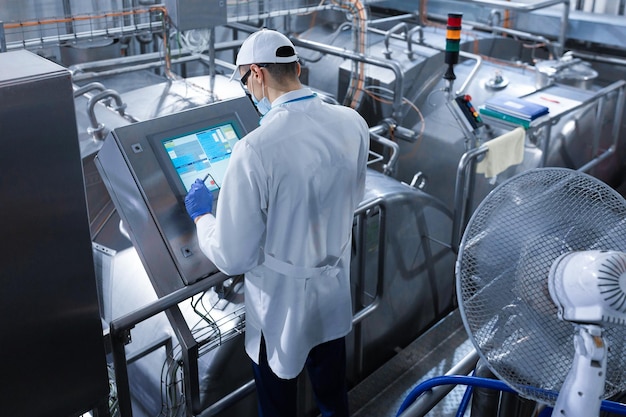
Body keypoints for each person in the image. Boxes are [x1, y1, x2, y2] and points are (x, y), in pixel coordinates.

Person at [184, 28, 369, 417]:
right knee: (333, 397)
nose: (249, 92)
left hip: (282, 306)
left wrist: (202, 216)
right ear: (297, 68)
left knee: (278, 405)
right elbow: (352, 196)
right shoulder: (352, 121)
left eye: (246, 82)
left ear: (257, 73)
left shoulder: (255, 148)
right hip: (332, 288)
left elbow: (233, 256)